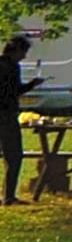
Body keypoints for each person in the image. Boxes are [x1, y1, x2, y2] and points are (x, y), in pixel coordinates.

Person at [1, 35, 30, 205]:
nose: (24, 56)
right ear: (16, 50)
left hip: (7, 114)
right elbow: (14, 91)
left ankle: (8, 195)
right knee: (14, 156)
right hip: (7, 115)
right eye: (23, 52)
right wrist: (31, 85)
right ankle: (9, 196)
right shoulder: (11, 67)